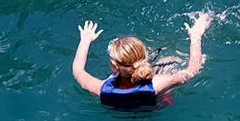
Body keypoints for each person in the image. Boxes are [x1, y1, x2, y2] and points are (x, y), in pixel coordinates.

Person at [71, 13, 211, 110]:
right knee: (173, 59)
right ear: (144, 56)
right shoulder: (158, 83)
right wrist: (196, 36)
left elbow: (78, 71)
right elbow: (193, 69)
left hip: (121, 113)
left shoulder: (101, 88)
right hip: (157, 107)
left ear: (114, 66)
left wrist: (85, 40)